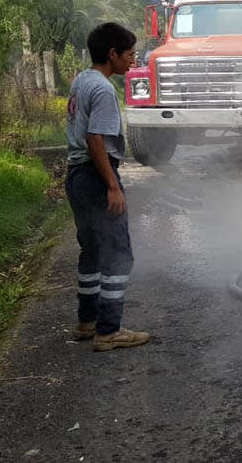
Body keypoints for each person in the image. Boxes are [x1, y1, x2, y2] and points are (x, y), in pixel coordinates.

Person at [65, 22, 151, 350]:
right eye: (129, 54)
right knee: (118, 253)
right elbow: (95, 139)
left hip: (78, 176)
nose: (133, 60)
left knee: (92, 249)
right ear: (112, 53)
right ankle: (109, 330)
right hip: (96, 175)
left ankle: (86, 322)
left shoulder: (82, 80)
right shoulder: (102, 89)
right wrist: (113, 187)